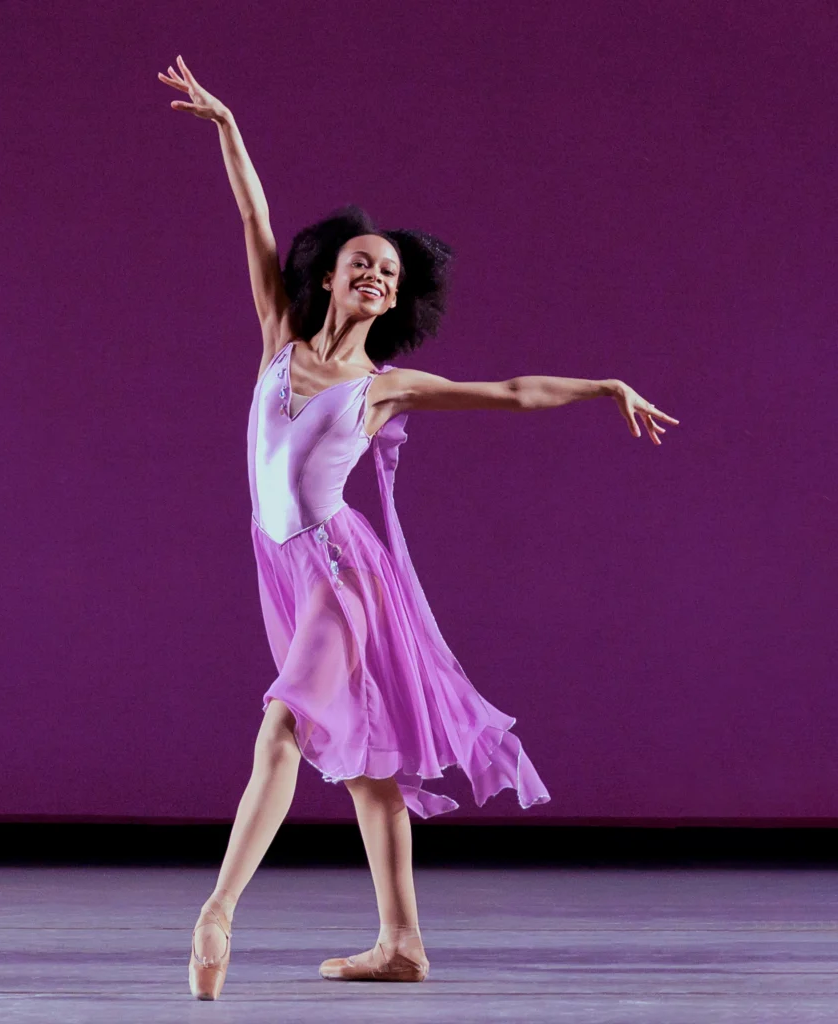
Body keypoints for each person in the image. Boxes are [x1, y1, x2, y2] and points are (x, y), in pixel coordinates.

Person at [158, 55, 680, 1001]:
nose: (372, 273)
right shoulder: (278, 336)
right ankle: (402, 943)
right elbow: (252, 219)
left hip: (338, 574)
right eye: (360, 261)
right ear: (327, 277)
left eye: (387, 272)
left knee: (285, 721)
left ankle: (218, 910)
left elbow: (513, 391)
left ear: (391, 300)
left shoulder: (382, 387)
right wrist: (228, 127)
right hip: (281, 571)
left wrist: (602, 386)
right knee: (369, 766)